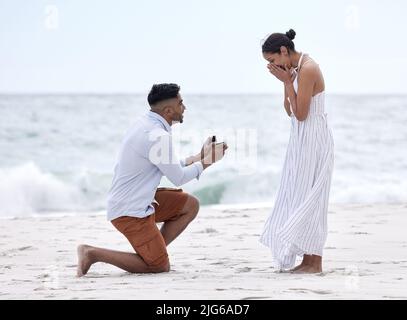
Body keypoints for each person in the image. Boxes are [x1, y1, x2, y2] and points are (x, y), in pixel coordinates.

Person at [77, 83, 227, 276]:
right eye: (181, 103)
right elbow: (178, 178)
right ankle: (92, 253)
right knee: (158, 266)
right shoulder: (157, 136)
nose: (184, 107)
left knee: (189, 205)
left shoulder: (146, 124)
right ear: (168, 110)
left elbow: (170, 165)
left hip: (137, 200)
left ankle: (153, 250)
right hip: (130, 211)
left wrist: (200, 156)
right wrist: (209, 162)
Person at [259, 29, 334, 273]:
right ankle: (307, 259)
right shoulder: (295, 70)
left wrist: (289, 82)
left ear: (283, 51)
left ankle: (314, 262)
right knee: (297, 193)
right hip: (301, 139)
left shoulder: (309, 68)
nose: (272, 65)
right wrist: (287, 82)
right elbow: (289, 110)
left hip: (314, 137)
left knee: (312, 196)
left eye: (272, 60)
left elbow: (302, 115)